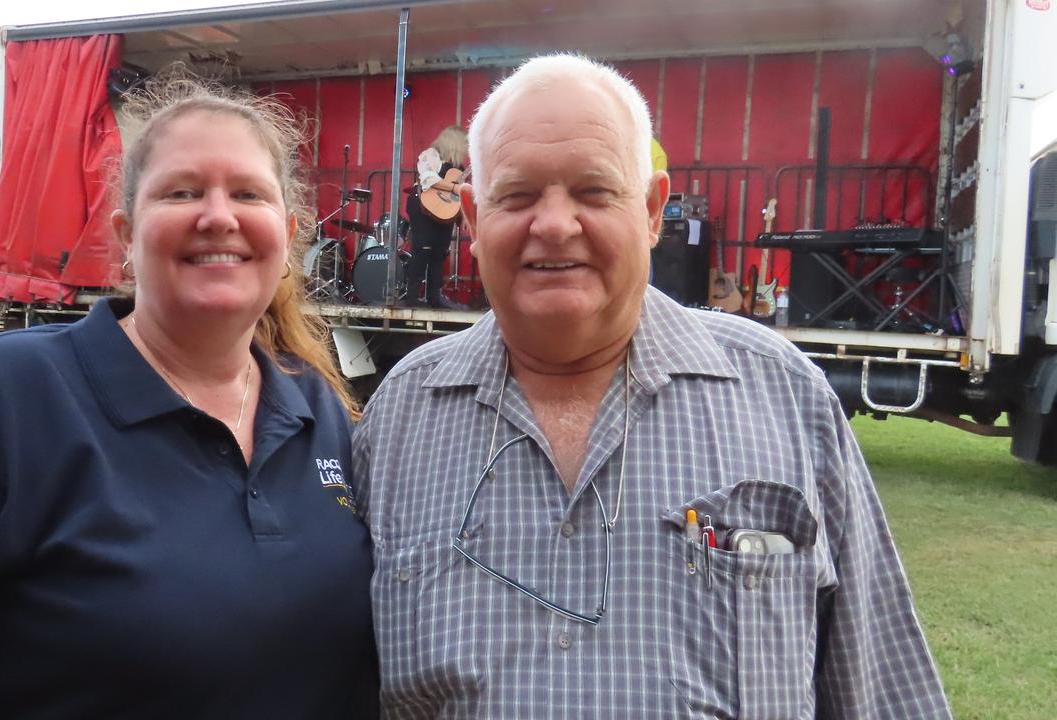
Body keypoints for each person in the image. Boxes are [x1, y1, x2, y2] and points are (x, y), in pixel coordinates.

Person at [354, 54, 952, 718]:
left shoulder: (786, 397)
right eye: (517, 196)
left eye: (593, 191)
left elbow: (885, 693)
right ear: (471, 218)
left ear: (652, 209)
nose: (554, 224)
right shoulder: (398, 420)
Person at [0, 78, 378, 718]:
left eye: (248, 193)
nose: (219, 215)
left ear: (286, 235)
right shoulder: (3, 400)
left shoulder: (314, 409)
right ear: (125, 235)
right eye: (182, 191)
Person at [404, 125, 468, 307]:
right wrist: (455, 187)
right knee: (422, 251)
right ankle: (411, 298)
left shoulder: (458, 168)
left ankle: (434, 298)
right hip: (423, 208)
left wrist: (462, 216)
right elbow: (428, 178)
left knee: (439, 253)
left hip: (445, 212)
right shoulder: (430, 154)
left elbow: (458, 195)